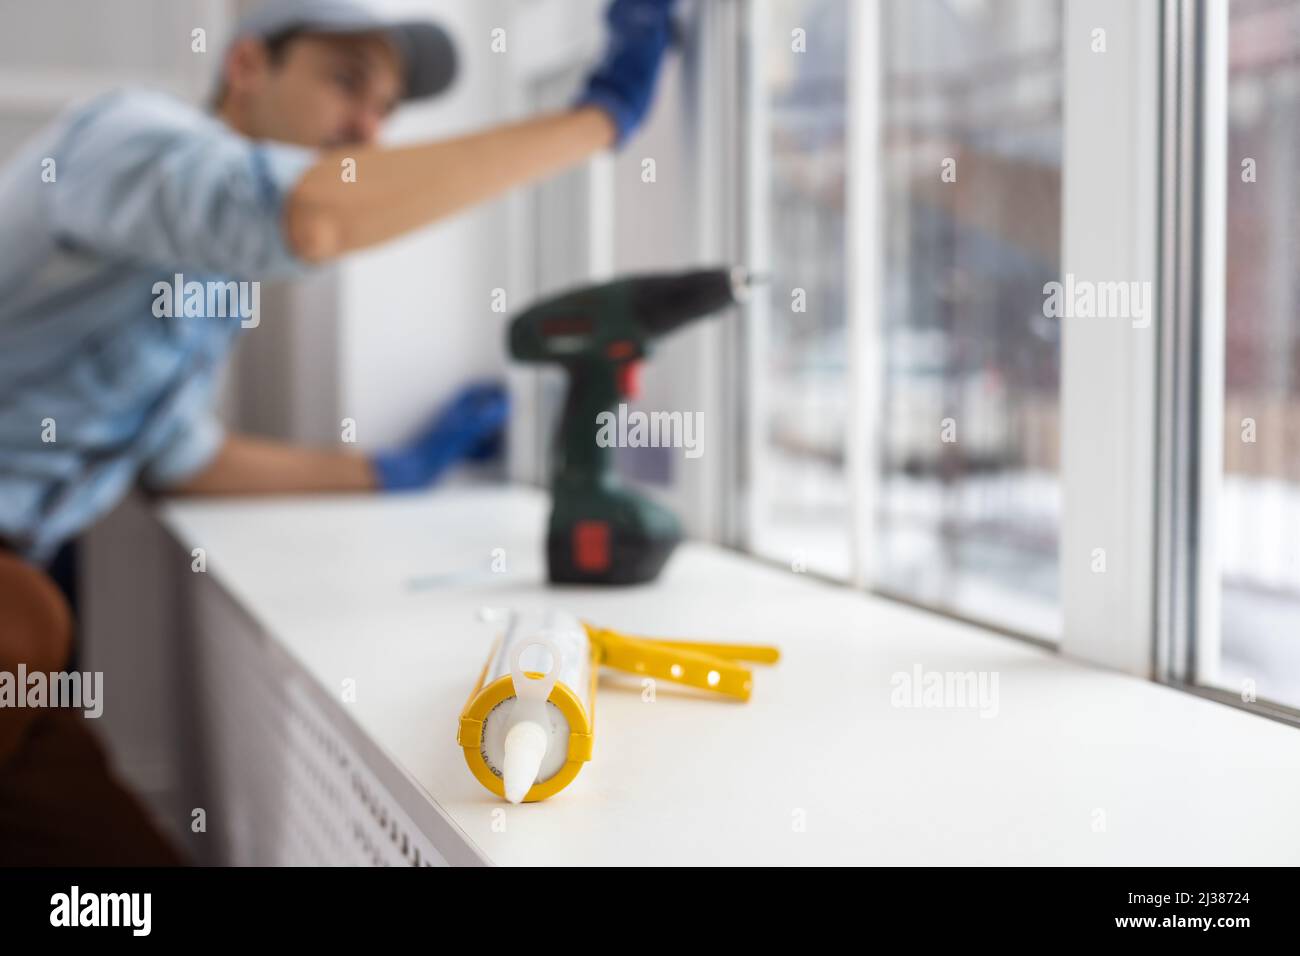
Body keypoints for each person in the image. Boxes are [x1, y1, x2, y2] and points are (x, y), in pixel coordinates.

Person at [0, 0, 677, 864]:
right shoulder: (121, 140)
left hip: (31, 590)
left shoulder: (208, 277)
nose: (369, 125)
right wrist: (597, 121)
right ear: (247, 68)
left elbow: (180, 459)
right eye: (346, 81)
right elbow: (316, 217)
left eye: (389, 109)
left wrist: (389, 472)